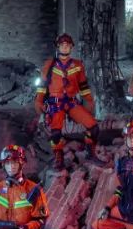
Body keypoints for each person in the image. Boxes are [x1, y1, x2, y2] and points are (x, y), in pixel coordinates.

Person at [34, 33, 99, 168]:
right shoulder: (50, 65)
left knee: (94, 128)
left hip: (71, 102)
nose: (65, 47)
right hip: (55, 103)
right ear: (58, 47)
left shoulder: (78, 65)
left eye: (67, 45)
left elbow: (83, 86)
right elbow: (42, 85)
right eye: (62, 45)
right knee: (55, 133)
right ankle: (59, 159)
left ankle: (90, 155)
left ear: (71, 47)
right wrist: (39, 101)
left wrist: (89, 100)